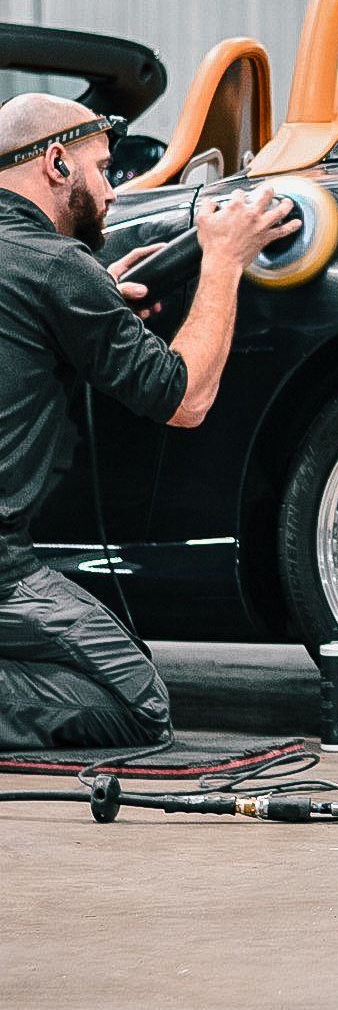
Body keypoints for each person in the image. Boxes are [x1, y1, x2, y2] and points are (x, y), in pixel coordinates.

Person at [0, 92, 296, 751]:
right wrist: (224, 261)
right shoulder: (54, 269)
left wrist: (92, 296)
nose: (112, 192)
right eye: (104, 169)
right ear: (55, 163)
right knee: (137, 706)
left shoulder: (45, 272)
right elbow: (184, 399)